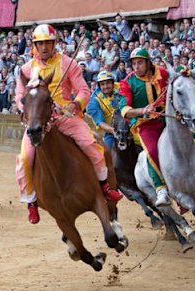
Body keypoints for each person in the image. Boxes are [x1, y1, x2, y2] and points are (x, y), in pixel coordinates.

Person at [16, 24, 123, 225]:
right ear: (35, 46)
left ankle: (104, 187)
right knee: (24, 158)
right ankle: (31, 201)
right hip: (38, 119)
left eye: (48, 42)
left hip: (66, 116)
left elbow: (83, 90)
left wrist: (76, 103)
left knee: (91, 144)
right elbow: (20, 95)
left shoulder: (68, 63)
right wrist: (24, 111)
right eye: (41, 43)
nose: (45, 47)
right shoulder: (26, 68)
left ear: (54, 43)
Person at [119, 47, 172, 207]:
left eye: (140, 62)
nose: (136, 66)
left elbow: (176, 80)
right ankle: (161, 189)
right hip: (145, 124)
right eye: (134, 63)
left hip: (167, 118)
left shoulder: (162, 72)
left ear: (148, 63)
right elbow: (124, 110)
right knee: (152, 151)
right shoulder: (127, 82)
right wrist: (142, 110)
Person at [87, 71, 119, 149]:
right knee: (107, 154)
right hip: (111, 132)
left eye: (108, 83)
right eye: (102, 84)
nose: (105, 86)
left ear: (113, 83)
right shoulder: (94, 101)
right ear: (99, 86)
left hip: (131, 126)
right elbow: (100, 123)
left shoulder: (122, 87)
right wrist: (114, 131)